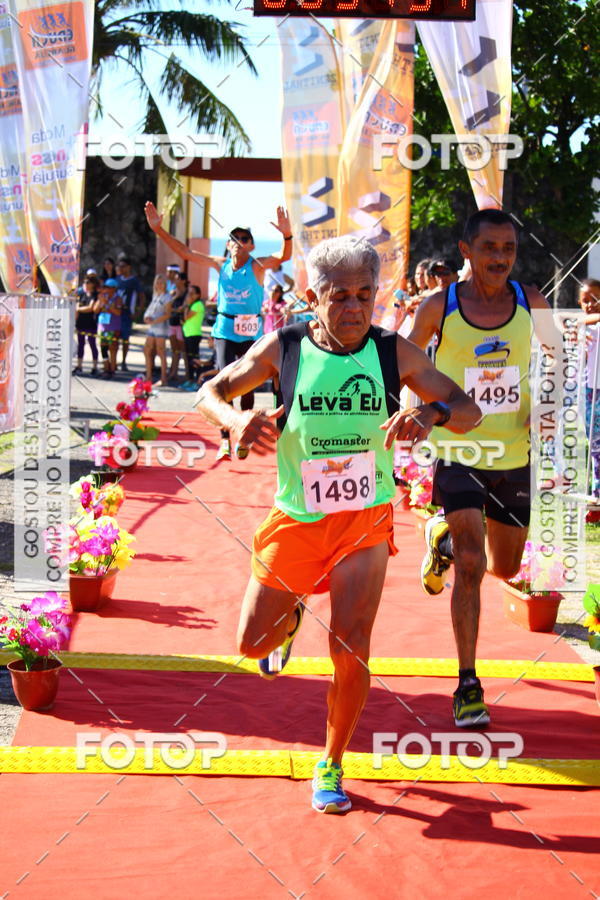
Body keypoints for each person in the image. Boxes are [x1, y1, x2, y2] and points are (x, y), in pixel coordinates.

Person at [195, 235, 480, 813]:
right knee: (251, 644)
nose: (354, 308)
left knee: (351, 647)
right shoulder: (285, 346)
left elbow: (468, 409)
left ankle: (331, 763)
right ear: (312, 298)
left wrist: (430, 413)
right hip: (298, 517)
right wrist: (234, 420)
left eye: (364, 295)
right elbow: (211, 391)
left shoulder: (392, 351)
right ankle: (293, 609)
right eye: (340, 296)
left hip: (364, 520)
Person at [408, 208, 555, 728]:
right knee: (472, 564)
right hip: (460, 450)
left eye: (508, 248)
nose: (500, 257)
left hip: (514, 455)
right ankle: (468, 684)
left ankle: (443, 541)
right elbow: (404, 360)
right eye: (489, 247)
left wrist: (548, 403)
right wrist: (430, 409)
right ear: (466, 251)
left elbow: (559, 360)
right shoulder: (439, 305)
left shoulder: (531, 302)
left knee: (503, 568)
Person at [144, 200, 293, 461]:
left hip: (250, 332)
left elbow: (283, 256)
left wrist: (287, 235)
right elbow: (186, 252)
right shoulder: (219, 264)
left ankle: (245, 436)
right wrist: (159, 230)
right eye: (234, 238)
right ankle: (225, 438)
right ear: (228, 244)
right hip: (225, 329)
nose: (238, 242)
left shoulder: (257, 266)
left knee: (247, 386)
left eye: (244, 239)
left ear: (251, 246)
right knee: (223, 382)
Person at [578, 278, 600, 497]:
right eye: (586, 300)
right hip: (590, 391)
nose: (591, 304)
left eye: (596, 299)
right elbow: (561, 320)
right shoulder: (582, 327)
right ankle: (597, 493)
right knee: (595, 445)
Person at [116, 255, 145, 372]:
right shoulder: (117, 279)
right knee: (115, 338)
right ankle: (114, 361)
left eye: (123, 266)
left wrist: (138, 312)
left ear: (129, 267)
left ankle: (123, 361)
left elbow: (141, 296)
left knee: (125, 339)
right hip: (116, 313)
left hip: (127, 314)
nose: (121, 268)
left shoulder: (134, 281)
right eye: (119, 266)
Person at [143, 274, 173, 386]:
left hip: (161, 327)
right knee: (147, 350)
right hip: (153, 326)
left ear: (165, 284)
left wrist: (154, 321)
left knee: (161, 351)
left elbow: (168, 314)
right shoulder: (156, 295)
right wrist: (146, 317)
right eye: (157, 283)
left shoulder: (167, 297)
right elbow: (151, 310)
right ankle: (149, 376)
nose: (159, 285)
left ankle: (163, 378)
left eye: (161, 283)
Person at [94, 278, 123, 378]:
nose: (105, 289)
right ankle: (106, 368)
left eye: (108, 287)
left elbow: (118, 312)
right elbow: (95, 310)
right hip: (103, 326)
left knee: (113, 348)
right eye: (105, 287)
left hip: (113, 327)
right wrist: (100, 301)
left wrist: (107, 303)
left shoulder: (118, 299)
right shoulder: (102, 297)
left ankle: (112, 369)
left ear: (114, 288)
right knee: (103, 347)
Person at [73, 274, 99, 375]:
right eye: (85, 282)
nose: (86, 284)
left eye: (88, 282)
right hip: (81, 323)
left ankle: (95, 367)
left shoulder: (95, 295)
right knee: (81, 345)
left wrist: (79, 309)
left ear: (93, 284)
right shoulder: (82, 294)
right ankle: (79, 366)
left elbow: (90, 308)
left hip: (91, 323)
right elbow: (77, 307)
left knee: (92, 344)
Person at [181, 284, 205, 390]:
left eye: (192, 293)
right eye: (188, 293)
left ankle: (197, 381)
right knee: (189, 359)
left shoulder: (197, 305)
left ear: (198, 295)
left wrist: (186, 305)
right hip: (188, 334)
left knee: (194, 359)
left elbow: (186, 317)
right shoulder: (192, 305)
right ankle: (190, 379)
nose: (189, 296)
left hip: (194, 335)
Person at [167, 271, 189, 383]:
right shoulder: (173, 292)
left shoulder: (188, 293)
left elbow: (183, 308)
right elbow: (167, 306)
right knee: (174, 350)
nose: (175, 281)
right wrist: (175, 297)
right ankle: (173, 372)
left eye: (177, 279)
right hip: (172, 322)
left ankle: (187, 374)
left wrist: (173, 309)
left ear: (183, 281)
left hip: (181, 324)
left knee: (183, 350)